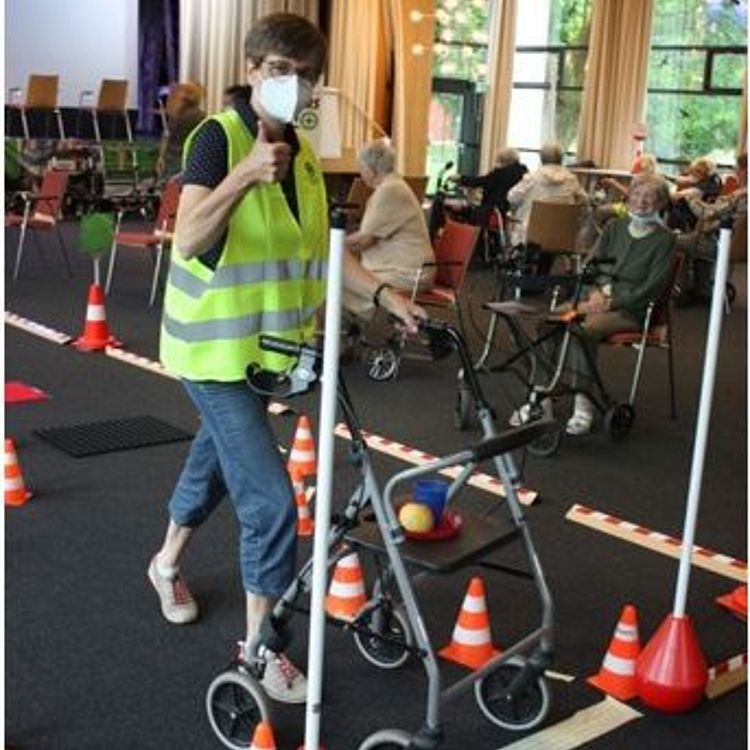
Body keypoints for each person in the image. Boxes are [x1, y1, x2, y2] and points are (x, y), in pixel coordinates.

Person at [150, 12, 423, 705]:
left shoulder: (303, 152)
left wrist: (386, 295)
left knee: (215, 463)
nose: (291, 83)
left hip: (266, 356)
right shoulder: (219, 139)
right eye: (278, 70)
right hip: (211, 350)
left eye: (305, 75)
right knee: (271, 502)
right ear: (251, 71)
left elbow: (321, 255)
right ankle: (262, 650)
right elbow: (187, 236)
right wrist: (242, 176)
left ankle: (166, 562)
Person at [512, 174, 675, 435]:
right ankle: (541, 397)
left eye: (649, 198)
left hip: (629, 309)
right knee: (546, 323)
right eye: (636, 195)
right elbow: (591, 266)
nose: (641, 202)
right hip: (592, 298)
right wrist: (594, 294)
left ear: (660, 204)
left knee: (580, 329)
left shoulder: (665, 240)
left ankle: (583, 401)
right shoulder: (614, 228)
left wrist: (612, 301)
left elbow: (652, 287)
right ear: (628, 197)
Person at [343, 139, 435, 320]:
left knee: (341, 282)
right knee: (346, 277)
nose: (361, 174)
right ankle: (346, 334)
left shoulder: (389, 191)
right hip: (405, 269)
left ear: (369, 169)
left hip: (408, 274)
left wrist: (333, 244)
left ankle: (339, 337)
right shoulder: (393, 185)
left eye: (360, 169)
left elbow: (364, 241)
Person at [506, 139, 588, 249]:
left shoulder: (532, 178)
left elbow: (511, 197)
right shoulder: (571, 179)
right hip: (563, 237)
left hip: (532, 237)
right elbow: (585, 201)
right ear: (561, 159)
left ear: (542, 158)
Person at [447, 147, 528, 226]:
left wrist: (460, 178)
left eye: (500, 159)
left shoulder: (501, 173)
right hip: (511, 213)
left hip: (494, 212)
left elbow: (481, 181)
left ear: (505, 160)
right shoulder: (523, 173)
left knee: (465, 212)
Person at [155, 81, 206, 180]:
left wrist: (161, 157)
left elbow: (166, 136)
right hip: (189, 159)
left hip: (170, 158)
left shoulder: (176, 115)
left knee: (169, 188)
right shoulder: (201, 116)